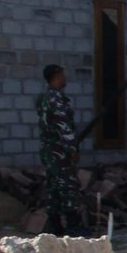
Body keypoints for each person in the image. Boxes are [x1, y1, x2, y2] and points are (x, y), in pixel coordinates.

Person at [35, 64, 82, 235]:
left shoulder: (44, 98)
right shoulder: (56, 99)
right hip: (60, 151)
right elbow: (62, 126)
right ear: (56, 76)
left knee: (53, 186)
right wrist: (71, 148)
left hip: (48, 151)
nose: (65, 78)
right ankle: (74, 226)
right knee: (68, 186)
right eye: (62, 75)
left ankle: (55, 226)